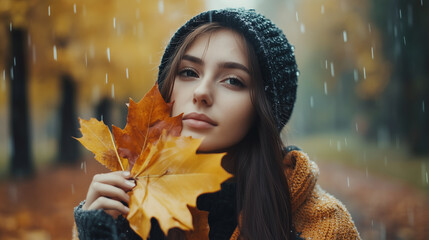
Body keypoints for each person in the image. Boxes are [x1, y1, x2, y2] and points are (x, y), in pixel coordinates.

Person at [73, 8, 361, 240]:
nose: (201, 92)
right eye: (188, 72)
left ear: (264, 109)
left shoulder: (324, 226)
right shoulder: (119, 208)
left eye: (233, 80)